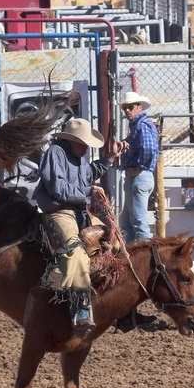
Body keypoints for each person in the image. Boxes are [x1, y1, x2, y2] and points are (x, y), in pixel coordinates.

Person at [37, 118, 123, 336]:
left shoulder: (80, 158)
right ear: (71, 140)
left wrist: (109, 159)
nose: (86, 148)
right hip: (59, 211)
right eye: (83, 143)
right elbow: (58, 189)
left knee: (116, 243)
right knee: (75, 252)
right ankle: (80, 309)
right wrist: (88, 192)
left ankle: (120, 307)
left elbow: (87, 175)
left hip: (79, 212)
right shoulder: (55, 153)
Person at [116, 91, 160, 329]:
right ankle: (133, 253)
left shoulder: (142, 126)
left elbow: (150, 149)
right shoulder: (140, 126)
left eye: (130, 107)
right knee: (131, 219)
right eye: (125, 107)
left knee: (137, 219)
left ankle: (143, 255)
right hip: (139, 175)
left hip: (139, 175)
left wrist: (139, 167)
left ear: (139, 106)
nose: (127, 110)